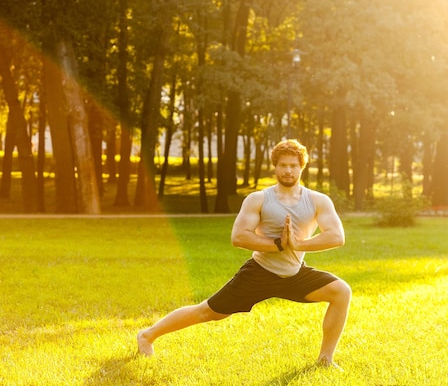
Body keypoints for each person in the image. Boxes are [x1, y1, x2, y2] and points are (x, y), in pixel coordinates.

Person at [137, 139, 351, 369]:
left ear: (302, 167)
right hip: (260, 272)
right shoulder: (259, 199)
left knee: (341, 292)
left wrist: (298, 245)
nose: (288, 170)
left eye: (293, 165)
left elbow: (336, 236)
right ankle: (147, 335)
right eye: (282, 165)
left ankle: (325, 359)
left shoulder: (318, 200)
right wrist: (278, 244)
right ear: (275, 167)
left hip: (294, 273)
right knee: (207, 312)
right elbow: (239, 236)